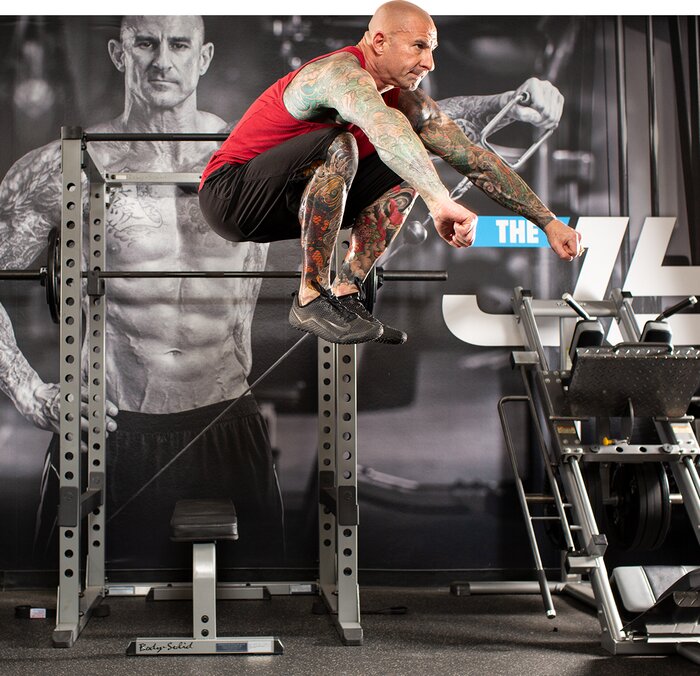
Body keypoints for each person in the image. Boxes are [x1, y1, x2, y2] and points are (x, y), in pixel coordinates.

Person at [0, 13, 566, 570]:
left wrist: (507, 102)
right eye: (145, 44)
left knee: (256, 597)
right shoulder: (63, 170)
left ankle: (325, 293)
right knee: (70, 603)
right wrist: (31, 394)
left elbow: (407, 125)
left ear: (204, 58)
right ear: (120, 55)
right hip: (106, 421)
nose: (162, 60)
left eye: (178, 44)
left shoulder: (251, 157)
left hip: (226, 419)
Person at [199, 0, 581, 346]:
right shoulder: (339, 74)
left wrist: (547, 222)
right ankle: (310, 298)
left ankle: (347, 293)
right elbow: (382, 126)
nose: (429, 62)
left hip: (293, 198)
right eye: (419, 46)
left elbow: (473, 157)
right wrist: (439, 202)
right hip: (231, 196)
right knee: (343, 144)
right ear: (379, 42)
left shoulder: (404, 96)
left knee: (413, 163)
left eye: (431, 49)